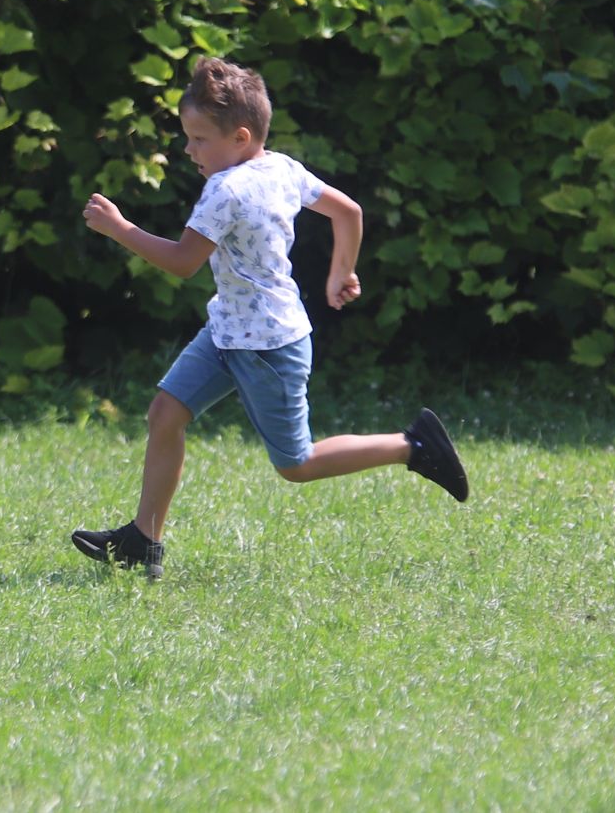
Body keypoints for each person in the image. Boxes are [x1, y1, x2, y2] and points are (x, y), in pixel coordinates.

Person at [71, 56, 468, 581]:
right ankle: (144, 540)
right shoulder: (281, 166)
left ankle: (413, 446)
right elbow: (349, 212)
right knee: (166, 414)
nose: (188, 150)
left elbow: (183, 263)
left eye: (198, 139)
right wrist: (339, 273)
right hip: (228, 330)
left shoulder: (226, 190)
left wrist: (119, 228)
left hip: (266, 346)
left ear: (239, 137)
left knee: (296, 464)